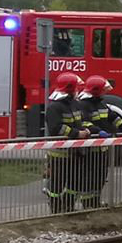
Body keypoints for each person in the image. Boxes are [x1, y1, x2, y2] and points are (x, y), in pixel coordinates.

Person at [77, 75, 122, 207]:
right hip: (89, 149)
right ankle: (88, 204)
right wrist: (97, 131)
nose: (105, 92)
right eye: (103, 90)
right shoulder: (83, 104)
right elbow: (83, 122)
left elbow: (113, 117)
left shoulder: (101, 103)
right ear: (96, 90)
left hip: (102, 148)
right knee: (89, 178)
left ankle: (95, 202)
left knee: (100, 177)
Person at [41, 71, 84, 213]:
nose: (78, 90)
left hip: (75, 152)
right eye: (76, 88)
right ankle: (56, 209)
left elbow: (79, 122)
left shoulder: (75, 104)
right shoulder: (55, 107)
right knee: (57, 184)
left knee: (75, 182)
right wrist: (77, 133)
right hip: (59, 155)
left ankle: (68, 206)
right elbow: (56, 128)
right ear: (70, 88)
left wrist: (86, 130)